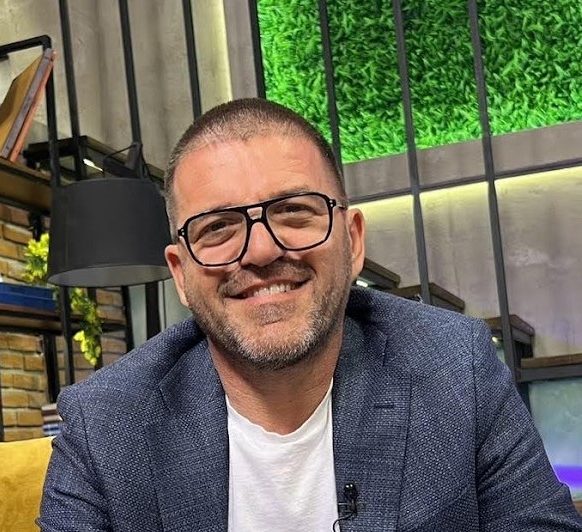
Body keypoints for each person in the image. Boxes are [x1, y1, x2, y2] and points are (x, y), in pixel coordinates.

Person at [39, 98, 582, 531]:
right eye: (218, 228)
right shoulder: (106, 423)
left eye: (294, 211)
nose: (260, 251)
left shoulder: (456, 368)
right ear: (181, 274)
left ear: (353, 240)